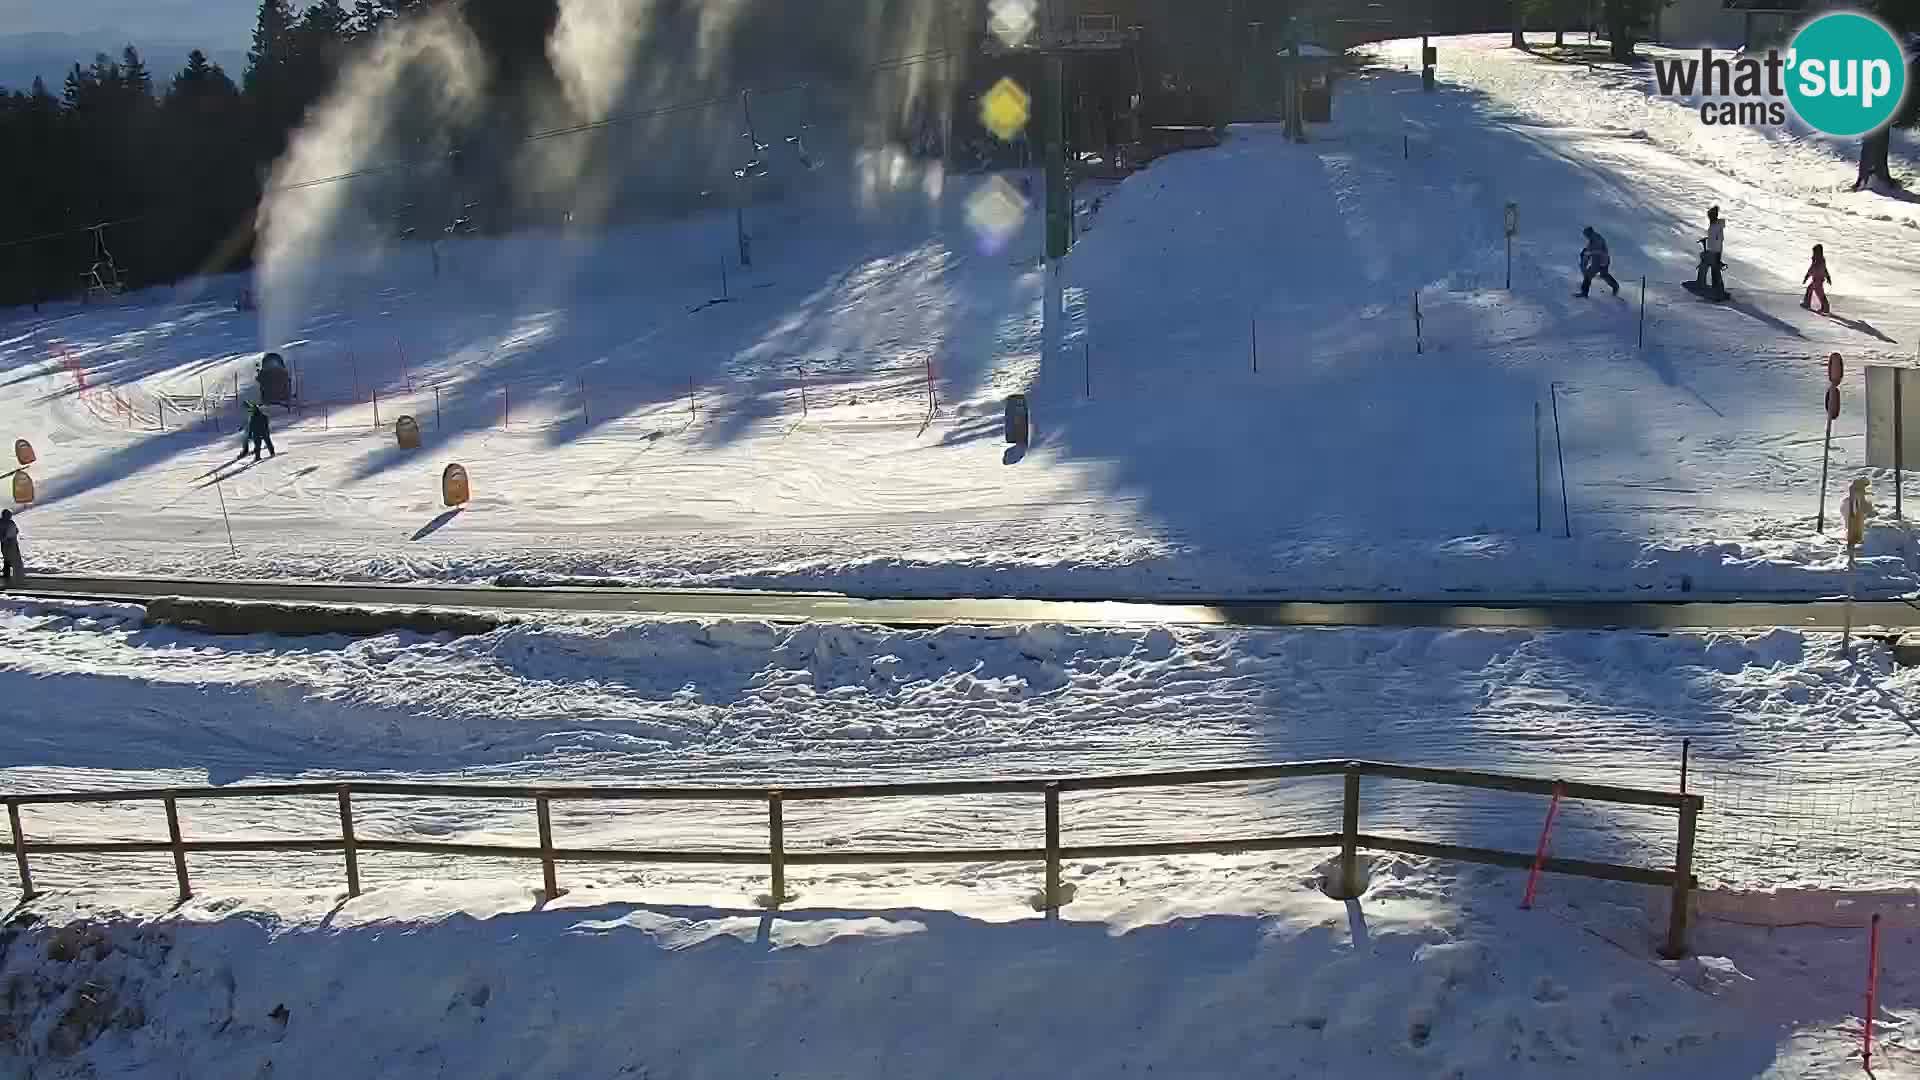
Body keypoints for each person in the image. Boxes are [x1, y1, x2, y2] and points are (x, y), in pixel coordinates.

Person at [1577, 226, 1619, 298]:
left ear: (1589, 232)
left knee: (1588, 275)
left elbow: (1597, 251)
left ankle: (1584, 293)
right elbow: (1589, 253)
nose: (1585, 236)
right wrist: (1585, 257)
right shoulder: (1592, 239)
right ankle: (1615, 287)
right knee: (1603, 275)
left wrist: (1587, 252)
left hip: (1600, 261)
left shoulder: (1596, 238)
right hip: (1602, 260)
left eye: (1586, 234)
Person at [1695, 205, 1727, 300]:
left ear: (1713, 216)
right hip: (1713, 250)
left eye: (1710, 215)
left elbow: (1719, 239)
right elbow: (1714, 238)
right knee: (1713, 269)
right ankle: (1716, 288)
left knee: (1710, 267)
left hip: (1714, 251)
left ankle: (1716, 289)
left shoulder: (1716, 226)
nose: (1709, 217)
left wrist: (1714, 253)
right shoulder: (1713, 225)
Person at [1802, 243, 1832, 315]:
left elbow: (1813, 269)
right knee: (1809, 289)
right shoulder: (1820, 260)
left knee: (1820, 294)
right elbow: (1824, 270)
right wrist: (1828, 277)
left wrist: (1807, 276)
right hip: (1817, 279)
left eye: (1814, 252)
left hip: (1817, 280)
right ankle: (1807, 303)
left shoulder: (1818, 261)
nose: (1813, 253)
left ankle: (1825, 308)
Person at [0, 509, 21, 586]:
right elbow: (16, 531)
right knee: (10, 559)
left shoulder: (6, 522)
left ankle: (8, 575)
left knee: (8, 559)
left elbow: (16, 530)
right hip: (8, 543)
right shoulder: (5, 522)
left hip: (8, 543)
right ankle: (9, 577)